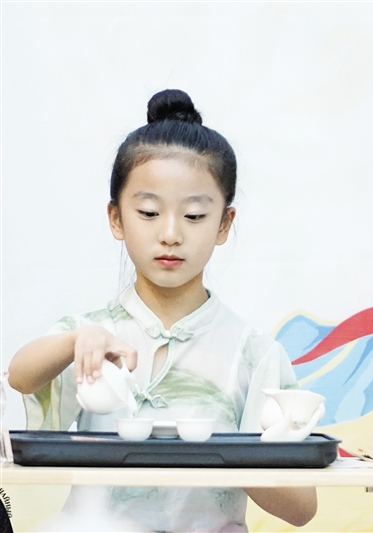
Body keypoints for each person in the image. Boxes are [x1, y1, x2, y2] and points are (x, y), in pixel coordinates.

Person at [8, 89, 317, 532]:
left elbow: (302, 509)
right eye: (149, 212)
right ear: (116, 218)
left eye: (194, 216)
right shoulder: (90, 335)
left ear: (224, 224)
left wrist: (225, 450)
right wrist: (75, 341)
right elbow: (21, 376)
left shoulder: (253, 354)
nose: (170, 234)